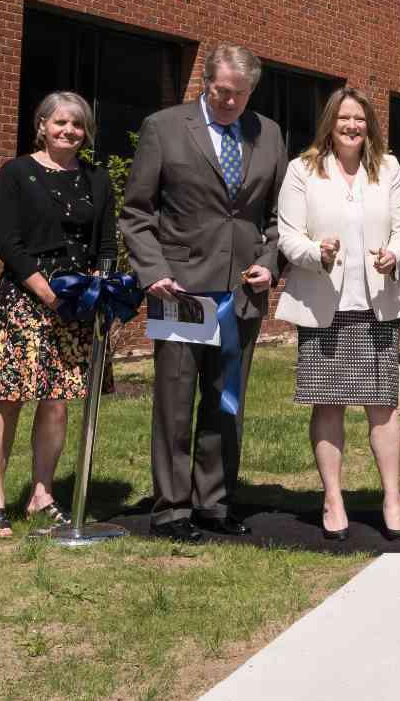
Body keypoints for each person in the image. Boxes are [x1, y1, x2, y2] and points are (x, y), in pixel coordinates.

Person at [119, 44, 287, 542]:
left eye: (240, 94)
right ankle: (172, 508)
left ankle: (214, 502)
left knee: (226, 401)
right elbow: (138, 212)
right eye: (222, 92)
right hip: (181, 289)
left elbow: (279, 217)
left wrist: (268, 263)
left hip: (242, 293)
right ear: (205, 83)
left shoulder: (270, 134)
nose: (230, 102)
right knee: (175, 399)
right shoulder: (164, 127)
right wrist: (153, 273)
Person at [0, 91, 117, 537]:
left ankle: (42, 493)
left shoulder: (98, 179)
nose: (69, 131)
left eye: (77, 124)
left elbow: (107, 245)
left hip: (77, 305)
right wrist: (47, 292)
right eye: (60, 123)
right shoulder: (16, 173)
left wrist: (98, 289)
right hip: (24, 300)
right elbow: (8, 244)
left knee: (56, 402)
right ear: (42, 125)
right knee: (9, 397)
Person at [276, 88, 400, 541]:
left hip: (377, 306)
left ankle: (391, 498)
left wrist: (393, 255)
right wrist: (318, 252)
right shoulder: (303, 170)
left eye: (359, 119)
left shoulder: (389, 168)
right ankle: (333, 497)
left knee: (383, 407)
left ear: (369, 124)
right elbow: (288, 236)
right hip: (324, 307)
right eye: (343, 119)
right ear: (330, 124)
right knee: (328, 404)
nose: (352, 126)